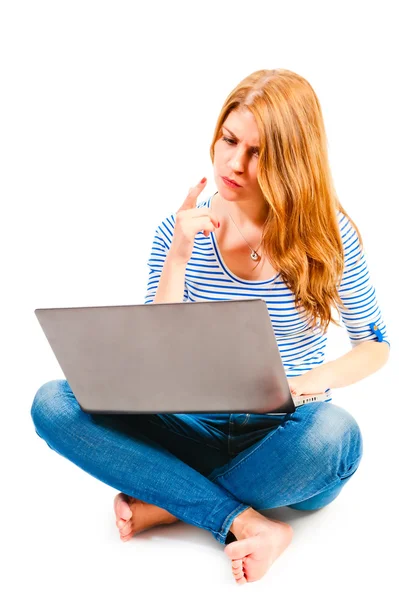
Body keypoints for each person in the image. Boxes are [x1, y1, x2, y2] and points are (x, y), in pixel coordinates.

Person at [31, 68, 390, 585]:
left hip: (286, 434)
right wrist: (177, 258)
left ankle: (173, 501)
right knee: (54, 402)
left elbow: (374, 347)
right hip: (191, 424)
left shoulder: (327, 235)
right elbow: (155, 356)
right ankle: (242, 520)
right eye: (229, 140)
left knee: (338, 436)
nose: (234, 163)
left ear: (291, 159)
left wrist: (304, 385)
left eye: (258, 152)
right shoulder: (178, 231)